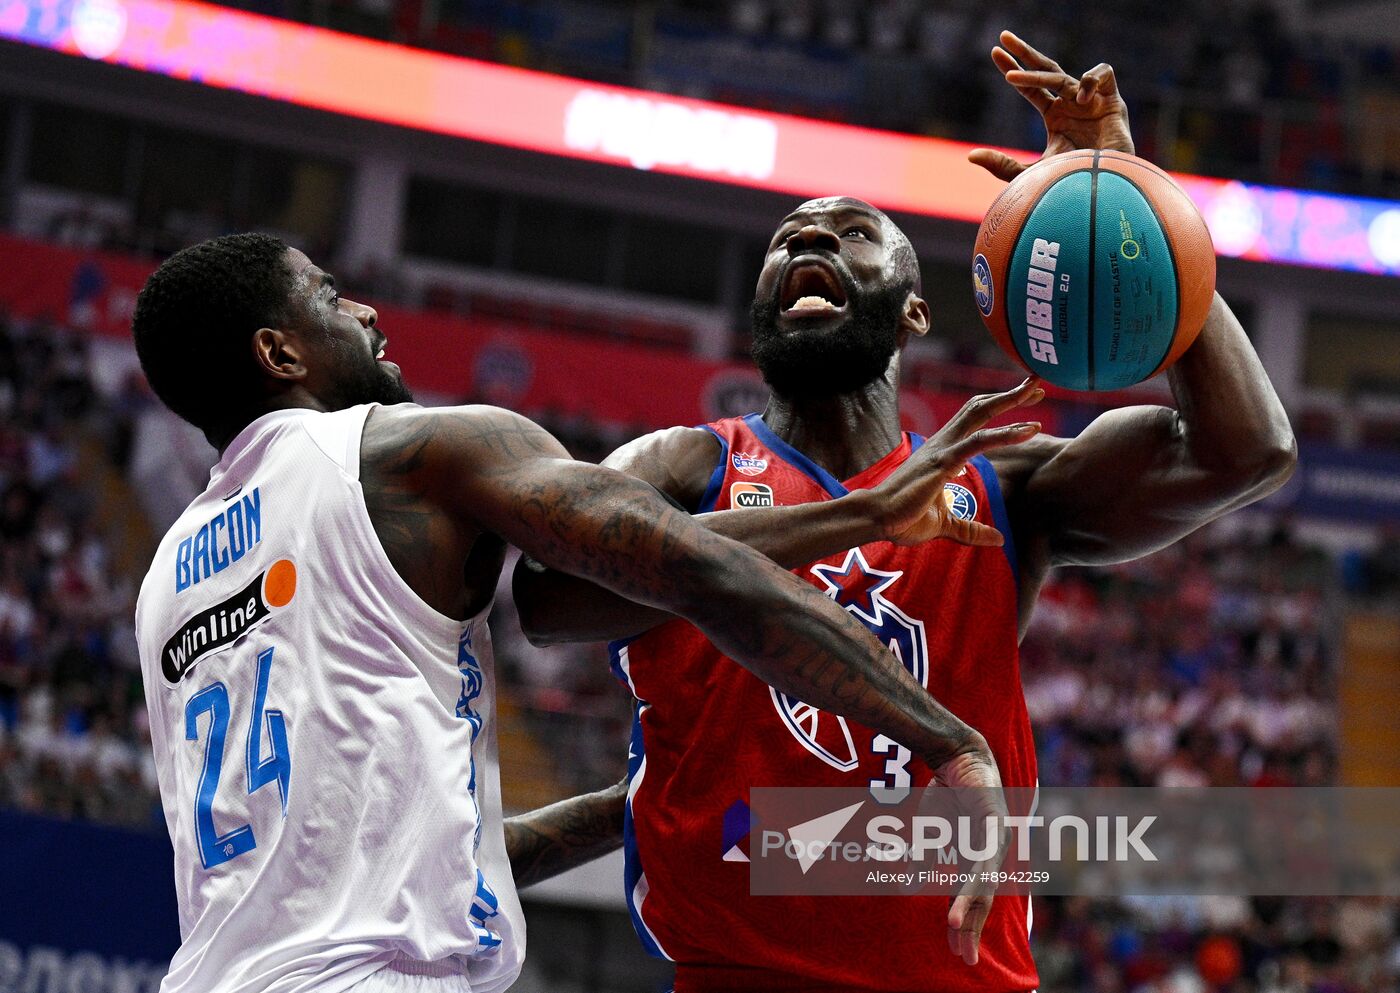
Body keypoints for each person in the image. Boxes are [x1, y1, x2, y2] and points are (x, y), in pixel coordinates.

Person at [510, 32, 1297, 993]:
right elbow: (549, 597)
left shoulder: (1007, 489)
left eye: (850, 234)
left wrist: (1133, 195)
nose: (807, 241)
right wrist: (867, 514)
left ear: (916, 313)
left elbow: (1248, 450)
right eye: (787, 239)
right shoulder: (687, 463)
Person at [129, 227, 1033, 992]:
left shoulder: (169, 576)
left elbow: (407, 863)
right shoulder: (411, 450)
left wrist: (629, 806)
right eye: (330, 296)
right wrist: (947, 733)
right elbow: (698, 572)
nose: (367, 311)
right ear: (280, 353)